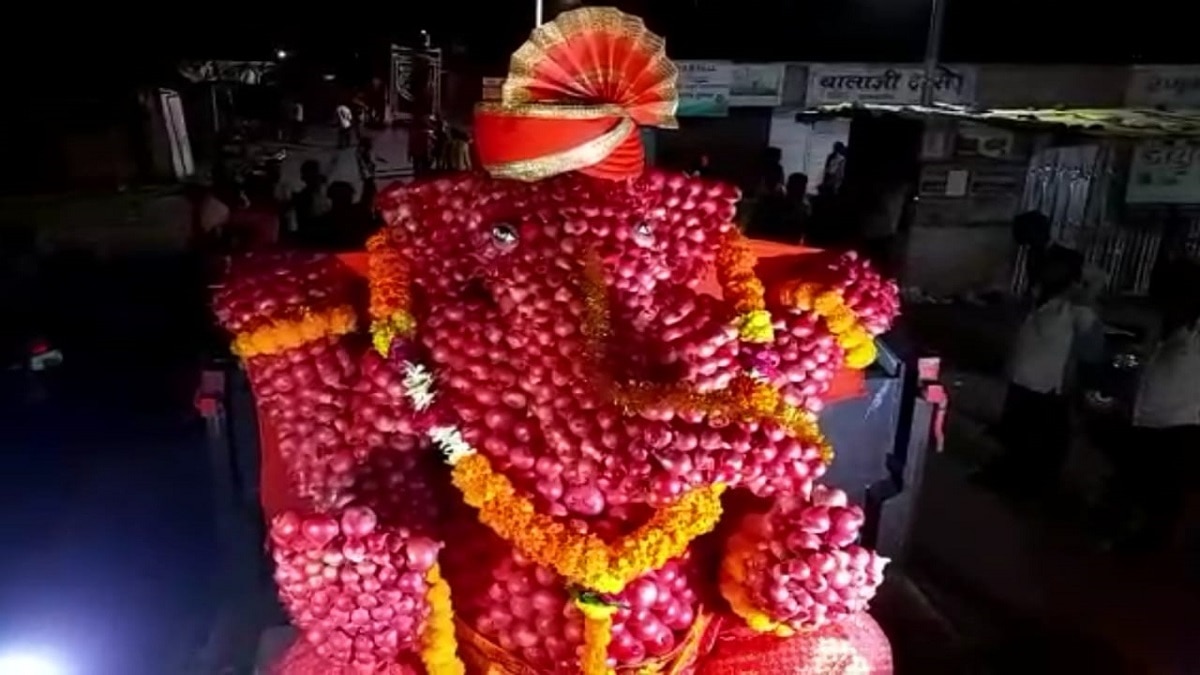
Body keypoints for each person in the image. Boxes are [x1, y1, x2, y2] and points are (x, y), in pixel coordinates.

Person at [980, 245, 1104, 497]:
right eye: (1049, 265)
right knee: (1015, 439)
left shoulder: (1077, 310)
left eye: (1056, 267)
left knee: (1040, 447)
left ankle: (1032, 490)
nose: (1048, 270)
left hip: (1048, 390)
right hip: (1022, 382)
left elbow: (1092, 352)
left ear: (1070, 274)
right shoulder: (1038, 299)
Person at [1104, 263, 1200, 550]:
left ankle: (1145, 548)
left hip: (1180, 425)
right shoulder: (1166, 329)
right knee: (1138, 486)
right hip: (1146, 419)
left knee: (1163, 497)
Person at [746, 165, 798, 243]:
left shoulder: (782, 190)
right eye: (772, 175)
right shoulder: (755, 190)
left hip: (775, 226)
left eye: (777, 176)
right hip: (758, 224)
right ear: (766, 176)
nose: (774, 178)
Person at [785, 172, 812, 240]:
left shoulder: (805, 205)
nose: (804, 189)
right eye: (801, 186)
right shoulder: (783, 205)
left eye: (804, 186)